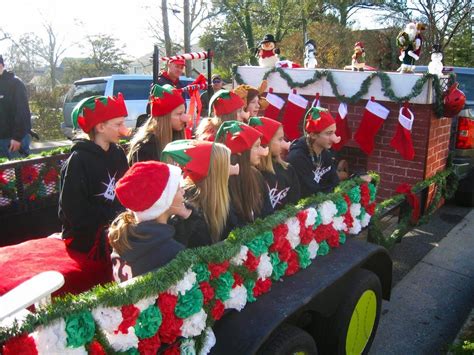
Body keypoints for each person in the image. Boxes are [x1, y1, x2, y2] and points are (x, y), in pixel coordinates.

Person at [59, 93, 130, 256]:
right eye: (118, 124)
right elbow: (73, 210)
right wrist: (110, 224)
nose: (124, 129)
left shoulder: (118, 153)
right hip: (86, 235)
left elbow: (126, 190)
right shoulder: (78, 160)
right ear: (100, 127)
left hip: (116, 225)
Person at [109, 161, 190, 282]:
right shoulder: (171, 252)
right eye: (178, 188)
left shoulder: (123, 236)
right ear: (162, 203)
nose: (183, 191)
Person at [162, 140, 239, 246]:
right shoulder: (187, 204)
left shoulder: (221, 196)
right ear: (217, 172)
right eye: (227, 164)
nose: (232, 167)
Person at [216, 120, 272, 226]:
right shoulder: (224, 184)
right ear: (241, 151)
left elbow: (268, 214)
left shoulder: (256, 175)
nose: (262, 152)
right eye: (256, 146)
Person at [287, 107, 341, 198]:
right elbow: (310, 192)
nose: (333, 138)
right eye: (328, 133)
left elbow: (335, 183)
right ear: (313, 135)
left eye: (334, 132)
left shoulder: (326, 153)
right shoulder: (297, 157)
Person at [248, 116, 300, 210]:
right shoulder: (254, 175)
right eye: (280, 139)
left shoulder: (287, 169)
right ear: (266, 143)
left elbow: (295, 204)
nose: (284, 143)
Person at [128, 84, 188, 164]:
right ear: (164, 118)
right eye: (179, 114)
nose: (185, 118)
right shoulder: (145, 148)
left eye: (184, 112)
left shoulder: (176, 136)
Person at [0, 54, 32, 159]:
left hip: (13, 141)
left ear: (1, 65)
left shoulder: (15, 83)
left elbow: (22, 112)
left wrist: (17, 138)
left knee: (20, 174)